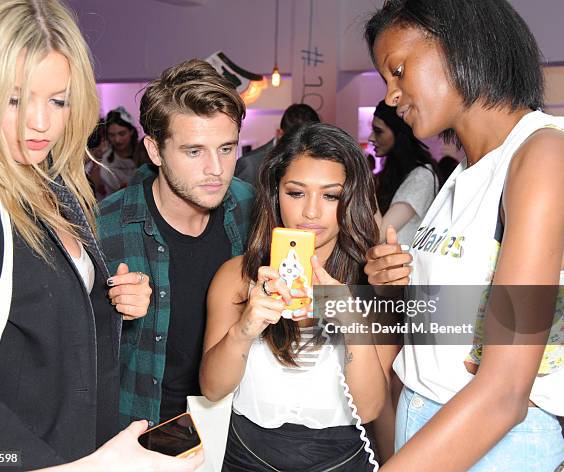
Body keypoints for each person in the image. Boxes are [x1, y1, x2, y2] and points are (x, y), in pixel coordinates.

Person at [0, 1, 202, 470]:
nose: (41, 122)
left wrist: (114, 301)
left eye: (58, 100)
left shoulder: (54, 182)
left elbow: (37, 327)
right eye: (15, 98)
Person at [363, 0, 564, 470]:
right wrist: (389, 290)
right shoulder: (466, 173)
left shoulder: (542, 157)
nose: (391, 96)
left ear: (459, 46)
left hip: (493, 442)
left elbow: (505, 393)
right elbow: (452, 326)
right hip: (429, 426)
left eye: (398, 70)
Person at [200, 122, 388, 471]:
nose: (311, 212)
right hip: (246, 457)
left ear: (353, 199)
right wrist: (244, 329)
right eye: (296, 193)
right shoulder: (237, 276)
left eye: (331, 195)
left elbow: (370, 408)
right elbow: (212, 389)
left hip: (341, 459)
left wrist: (350, 320)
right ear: (275, 194)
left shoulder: (374, 282)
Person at [97, 59, 255, 429]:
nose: (216, 168)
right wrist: (110, 312)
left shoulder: (252, 207)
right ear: (154, 151)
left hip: (238, 422)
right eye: (194, 151)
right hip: (143, 429)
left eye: (227, 148)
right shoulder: (105, 227)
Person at [369, 100, 439, 245]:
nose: (371, 138)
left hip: (403, 266)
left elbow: (380, 234)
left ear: (398, 133)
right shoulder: (395, 173)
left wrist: (364, 183)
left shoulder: (421, 177)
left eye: (378, 131)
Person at [234, 103, 320, 187]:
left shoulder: (317, 161)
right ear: (279, 134)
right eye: (295, 141)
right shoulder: (250, 165)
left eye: (311, 142)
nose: (303, 148)